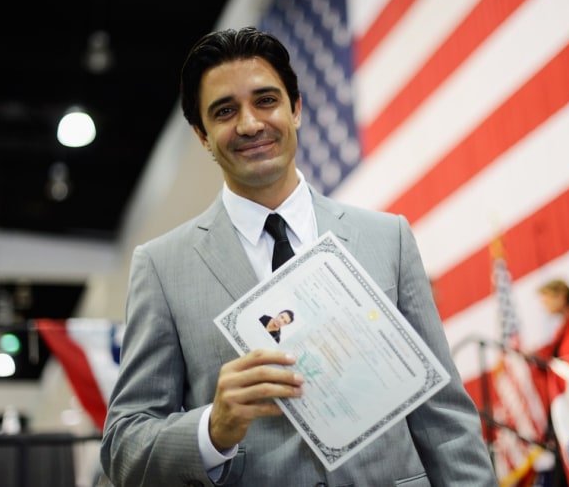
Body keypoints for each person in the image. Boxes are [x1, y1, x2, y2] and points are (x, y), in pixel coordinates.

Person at [100, 26, 497, 486]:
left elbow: (444, 417)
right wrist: (212, 429)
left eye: (266, 101)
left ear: (297, 110)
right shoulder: (162, 266)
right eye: (225, 111)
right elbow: (124, 446)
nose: (249, 124)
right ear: (202, 136)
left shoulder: (389, 238)